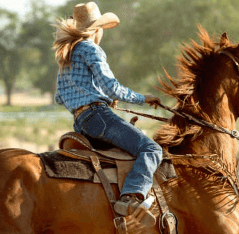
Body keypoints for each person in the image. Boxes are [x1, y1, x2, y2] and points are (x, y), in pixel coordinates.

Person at [53, 2, 162, 217]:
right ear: (97, 29)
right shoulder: (91, 48)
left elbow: (59, 97)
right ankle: (131, 196)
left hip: (80, 121)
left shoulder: (67, 54)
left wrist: (95, 99)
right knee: (151, 149)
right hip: (97, 116)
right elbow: (112, 88)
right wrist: (143, 98)